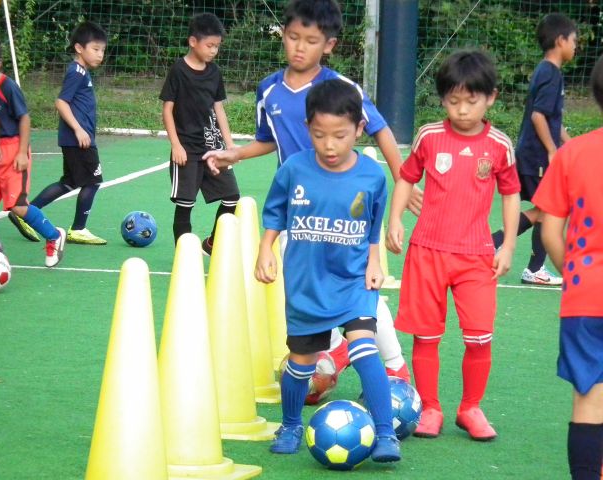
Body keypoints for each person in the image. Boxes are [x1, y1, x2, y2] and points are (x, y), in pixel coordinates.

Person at [204, 0, 414, 381]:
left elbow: (380, 128)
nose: (299, 47)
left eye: (311, 40)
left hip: (342, 209)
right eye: (293, 37)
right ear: (283, 36)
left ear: (328, 45)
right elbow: (269, 139)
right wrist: (235, 153)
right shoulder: (268, 90)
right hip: (298, 211)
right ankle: (326, 361)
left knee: (354, 286)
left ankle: (394, 366)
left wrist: (404, 180)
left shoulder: (340, 89)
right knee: (309, 289)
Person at [257, 78, 400, 462]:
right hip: (307, 283)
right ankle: (289, 424)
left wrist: (373, 261)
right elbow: (274, 212)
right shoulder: (294, 169)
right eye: (320, 135)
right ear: (308, 129)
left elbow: (373, 224)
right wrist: (265, 249)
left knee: (365, 348)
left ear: (358, 129)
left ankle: (386, 435)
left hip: (353, 279)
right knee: (301, 361)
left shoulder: (372, 175)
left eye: (340, 135)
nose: (330, 145)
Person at [386, 50, 521, 441]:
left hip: (477, 255)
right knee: (426, 335)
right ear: (443, 99)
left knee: (480, 335)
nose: (461, 110)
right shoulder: (430, 136)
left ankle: (470, 408)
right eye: (453, 101)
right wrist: (395, 219)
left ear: (491, 97)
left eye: (471, 101)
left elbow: (511, 194)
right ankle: (430, 408)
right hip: (426, 251)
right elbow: (407, 177)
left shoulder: (499, 145)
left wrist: (508, 245)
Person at [533, 55, 603, 480]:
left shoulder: (571, 154)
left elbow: (549, 232)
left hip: (584, 296)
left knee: (588, 398)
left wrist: (573, 273)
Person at [491, 13, 577, 286]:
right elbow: (538, 116)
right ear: (560, 40)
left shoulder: (546, 70)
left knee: (546, 209)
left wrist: (568, 142)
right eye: (574, 41)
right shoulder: (550, 74)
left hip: (534, 153)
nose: (576, 47)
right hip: (537, 156)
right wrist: (553, 150)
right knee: (547, 211)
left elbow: (551, 119)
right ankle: (492, 244)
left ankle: (534, 267)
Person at [11, 21, 108, 245]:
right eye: (95, 49)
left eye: (102, 50)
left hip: (76, 139)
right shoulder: (76, 71)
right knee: (93, 181)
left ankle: (26, 211)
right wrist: (79, 130)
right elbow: (61, 102)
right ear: (79, 48)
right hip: (78, 140)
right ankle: (78, 229)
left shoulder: (81, 71)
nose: (100, 54)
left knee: (69, 182)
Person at [0, 37, 66, 267]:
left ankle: (54, 235)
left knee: (17, 206)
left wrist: (22, 152)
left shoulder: (8, 87)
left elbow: (24, 119)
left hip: (13, 148)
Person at [159, 12, 239, 251]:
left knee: (232, 197)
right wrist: (176, 145)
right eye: (210, 45)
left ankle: (211, 243)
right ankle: (184, 256)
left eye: (217, 46)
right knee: (186, 203)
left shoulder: (214, 72)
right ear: (193, 42)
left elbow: (219, 110)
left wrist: (230, 144)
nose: (214, 51)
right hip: (186, 149)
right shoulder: (178, 70)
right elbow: (167, 109)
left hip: (212, 149)